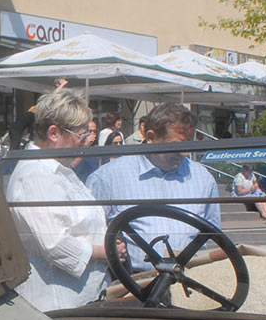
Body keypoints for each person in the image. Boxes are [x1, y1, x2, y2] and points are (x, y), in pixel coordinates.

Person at [5, 90, 110, 310]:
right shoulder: (35, 175)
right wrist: (106, 251)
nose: (85, 143)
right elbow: (56, 245)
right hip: (59, 306)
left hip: (83, 298)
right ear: (54, 133)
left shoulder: (58, 169)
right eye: (81, 136)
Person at [86, 102, 221, 271]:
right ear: (151, 137)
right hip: (132, 285)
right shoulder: (108, 178)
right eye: (178, 145)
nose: (186, 153)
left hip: (189, 281)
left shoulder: (203, 178)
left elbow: (212, 235)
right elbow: (89, 234)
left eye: (190, 145)